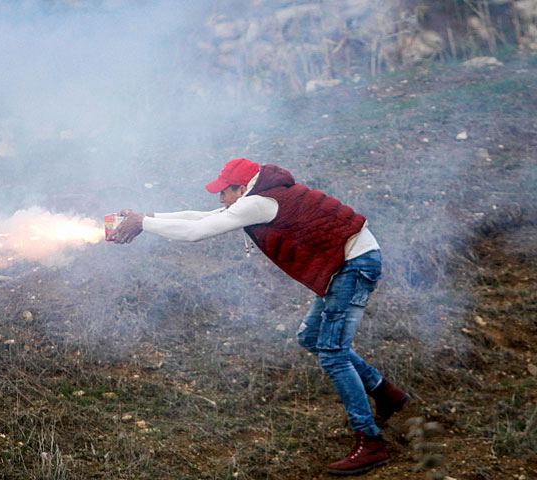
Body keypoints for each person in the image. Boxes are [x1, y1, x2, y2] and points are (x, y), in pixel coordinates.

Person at [111, 158, 411, 476]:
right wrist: (148, 218)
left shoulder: (259, 202)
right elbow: (202, 217)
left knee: (333, 353)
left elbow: (196, 232)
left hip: (353, 264)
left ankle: (371, 443)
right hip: (347, 262)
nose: (220, 198)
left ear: (242, 187)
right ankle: (386, 394)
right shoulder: (261, 196)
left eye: (224, 192)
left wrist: (143, 223)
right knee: (311, 338)